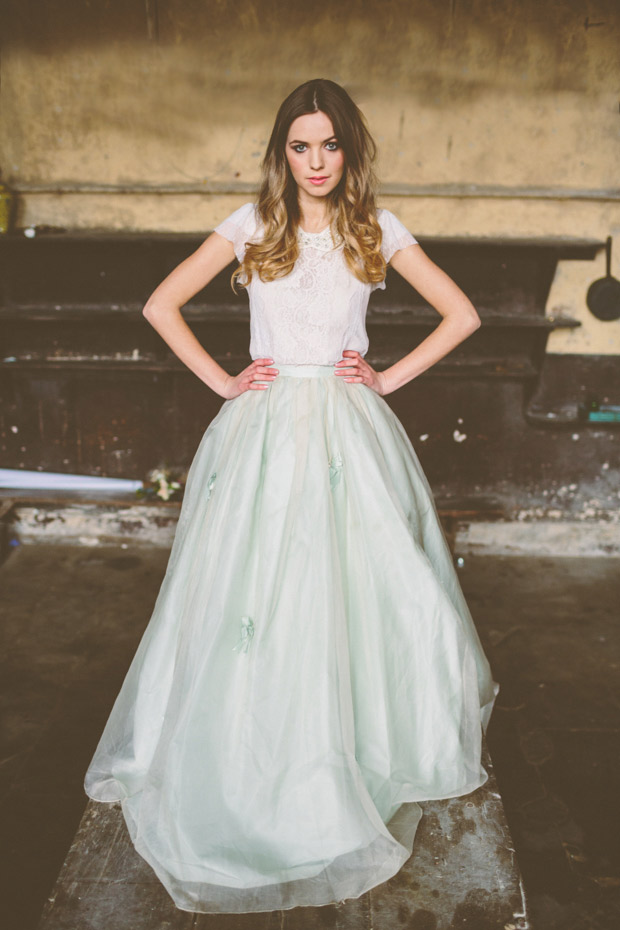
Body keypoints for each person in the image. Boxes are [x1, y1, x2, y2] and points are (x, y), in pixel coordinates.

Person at [84, 78, 498, 915]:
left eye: (330, 144)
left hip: (347, 428)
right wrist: (224, 382)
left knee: (360, 588)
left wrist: (385, 376)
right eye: (300, 146)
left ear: (351, 150)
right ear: (283, 153)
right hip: (266, 427)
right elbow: (159, 303)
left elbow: (463, 315)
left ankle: (353, 746)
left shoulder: (376, 229)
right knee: (255, 589)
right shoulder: (251, 226)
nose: (315, 161)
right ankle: (248, 749)